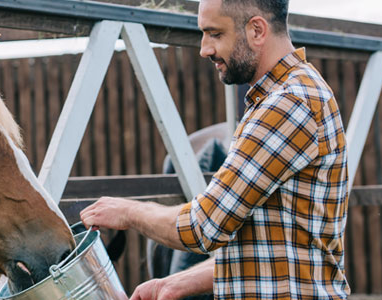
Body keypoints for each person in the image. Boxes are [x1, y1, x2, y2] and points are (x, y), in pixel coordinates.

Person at [80, 0, 350, 299]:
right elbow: (271, 246)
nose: (204, 49)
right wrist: (177, 282)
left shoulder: (289, 104)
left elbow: (203, 226)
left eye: (215, 34)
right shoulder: (281, 97)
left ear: (257, 30)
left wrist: (129, 212)